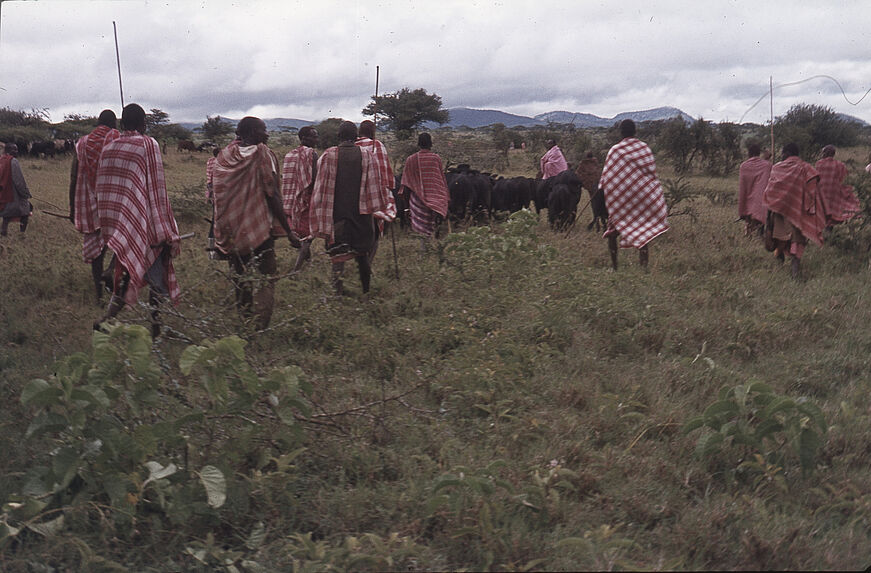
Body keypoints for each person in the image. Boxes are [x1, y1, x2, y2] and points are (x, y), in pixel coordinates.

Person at [94, 103, 180, 337]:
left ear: (122, 124)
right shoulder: (148, 144)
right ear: (144, 124)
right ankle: (156, 330)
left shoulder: (109, 148)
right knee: (155, 279)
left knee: (126, 272)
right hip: (147, 224)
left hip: (122, 226)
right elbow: (157, 187)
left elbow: (104, 189)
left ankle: (106, 319)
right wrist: (166, 227)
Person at [212, 116, 300, 329]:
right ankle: (259, 326)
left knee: (240, 277)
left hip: (231, 229)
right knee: (266, 276)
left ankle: (245, 320)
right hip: (260, 229)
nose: (267, 134)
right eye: (264, 130)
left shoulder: (224, 156)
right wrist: (288, 231)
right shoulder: (263, 154)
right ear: (252, 132)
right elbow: (273, 195)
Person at [310, 121, 391, 296]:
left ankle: (336, 294)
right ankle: (366, 292)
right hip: (361, 217)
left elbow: (320, 187)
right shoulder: (368, 155)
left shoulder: (327, 155)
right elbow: (375, 187)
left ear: (338, 137)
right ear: (356, 138)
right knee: (362, 256)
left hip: (337, 215)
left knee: (337, 257)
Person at [599, 119, 669, 271]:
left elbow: (608, 177)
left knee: (612, 233)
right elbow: (651, 175)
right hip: (642, 198)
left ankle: (615, 267)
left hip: (622, 201)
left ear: (621, 132)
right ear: (635, 131)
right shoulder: (645, 149)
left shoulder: (615, 150)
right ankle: (643, 268)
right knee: (643, 230)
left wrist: (601, 186)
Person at [68, 109, 120, 302]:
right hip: (113, 203)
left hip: (89, 206)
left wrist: (72, 208)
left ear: (98, 123)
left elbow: (74, 177)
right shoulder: (117, 138)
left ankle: (98, 294)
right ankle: (111, 271)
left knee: (96, 251)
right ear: (113, 123)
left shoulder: (81, 143)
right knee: (123, 243)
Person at [763, 142, 825, 279]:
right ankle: (794, 271)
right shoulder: (806, 168)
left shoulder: (776, 168)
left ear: (787, 153)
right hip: (798, 213)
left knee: (779, 238)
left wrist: (768, 218)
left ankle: (781, 264)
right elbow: (813, 190)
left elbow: (770, 192)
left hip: (778, 212)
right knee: (797, 242)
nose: (781, 156)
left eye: (783, 153)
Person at [355, 120, 397, 261]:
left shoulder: (353, 146)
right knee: (374, 234)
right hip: (373, 198)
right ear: (372, 131)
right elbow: (385, 172)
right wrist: (390, 189)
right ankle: (368, 263)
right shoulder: (376, 145)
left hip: (354, 198)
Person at [399, 132, 449, 245]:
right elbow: (440, 180)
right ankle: (433, 248)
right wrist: (445, 198)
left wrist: (406, 207)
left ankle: (424, 251)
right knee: (433, 226)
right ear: (430, 144)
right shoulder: (436, 158)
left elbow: (406, 184)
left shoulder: (411, 159)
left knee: (421, 231)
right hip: (436, 199)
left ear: (418, 144)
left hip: (417, 201)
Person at [281, 126, 319, 271]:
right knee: (308, 236)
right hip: (305, 200)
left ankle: (308, 264)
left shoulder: (289, 154)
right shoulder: (311, 154)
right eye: (314, 136)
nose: (316, 139)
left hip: (290, 200)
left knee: (300, 233)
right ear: (304, 138)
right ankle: (296, 269)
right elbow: (314, 179)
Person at [815, 145, 860, 226]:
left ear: (826, 153)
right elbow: (845, 181)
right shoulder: (841, 165)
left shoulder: (819, 164)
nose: (821, 155)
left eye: (822, 153)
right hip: (835, 195)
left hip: (821, 195)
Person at [737, 140, 772, 237]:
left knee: (749, 215)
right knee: (759, 214)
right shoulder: (766, 165)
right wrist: (767, 158)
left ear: (749, 153)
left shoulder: (743, 166)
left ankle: (749, 233)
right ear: (758, 153)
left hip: (747, 196)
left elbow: (743, 184)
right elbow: (768, 171)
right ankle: (758, 233)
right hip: (759, 198)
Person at [0, 143, 33, 237]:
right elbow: (19, 181)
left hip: (3, 193)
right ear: (8, 151)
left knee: (6, 214)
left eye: (17, 149)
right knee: (26, 211)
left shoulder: (1, 159)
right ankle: (22, 234)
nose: (16, 152)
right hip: (12, 193)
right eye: (14, 150)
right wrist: (26, 193)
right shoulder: (13, 161)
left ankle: (3, 231)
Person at [575, 151, 607, 231]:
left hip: (592, 188)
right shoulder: (595, 163)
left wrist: (585, 184)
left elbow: (578, 175)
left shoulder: (583, 164)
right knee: (601, 204)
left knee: (595, 205)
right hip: (600, 187)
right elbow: (600, 173)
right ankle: (602, 223)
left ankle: (597, 223)